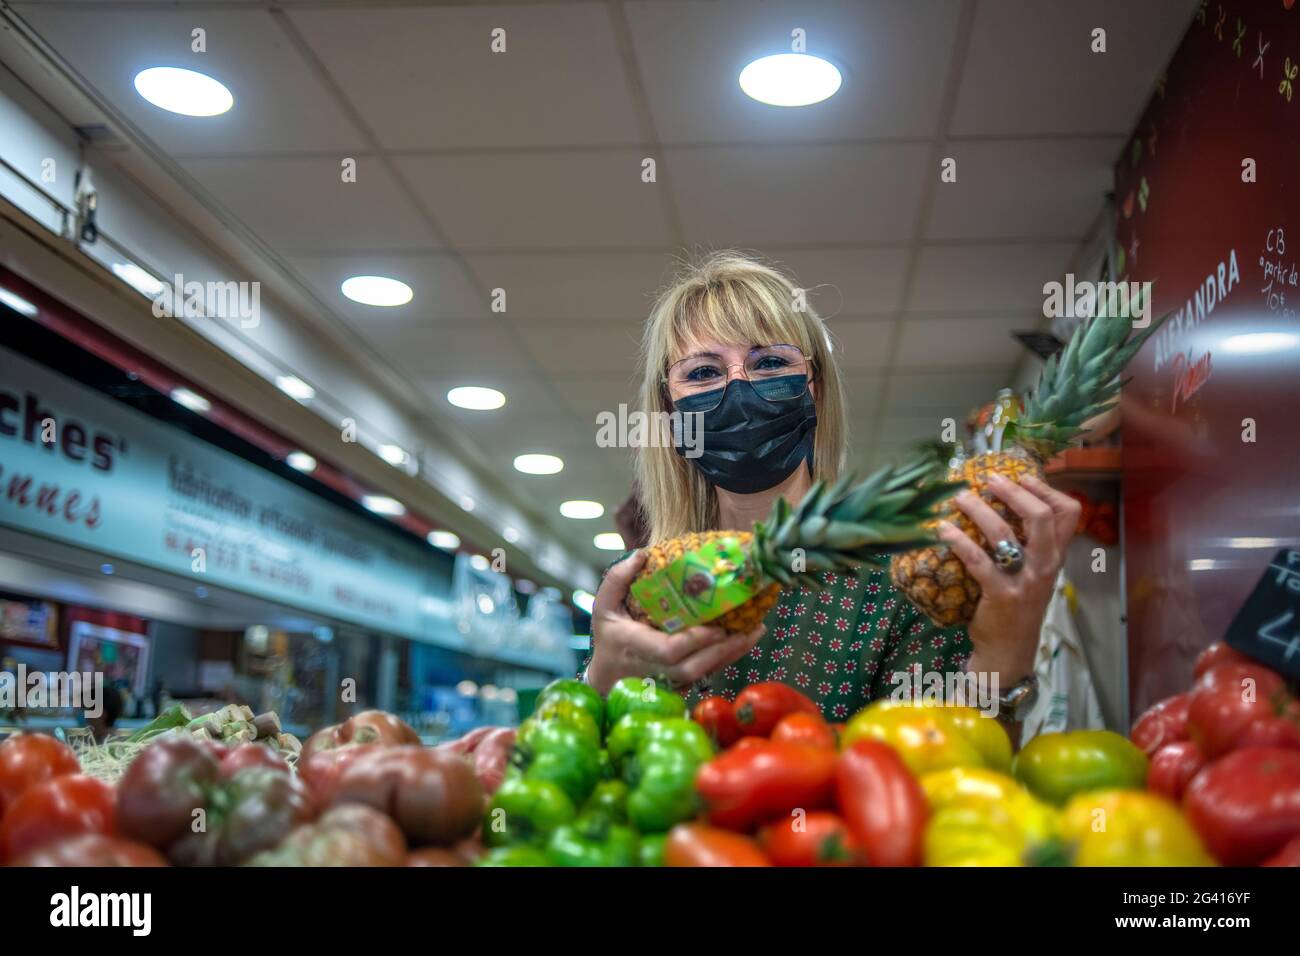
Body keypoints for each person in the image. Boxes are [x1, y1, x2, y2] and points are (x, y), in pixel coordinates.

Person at [582, 252, 1082, 729]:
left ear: (813, 389)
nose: (739, 388)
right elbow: (574, 772)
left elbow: (947, 774)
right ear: (668, 410)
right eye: (704, 372)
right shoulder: (640, 587)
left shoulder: (898, 577)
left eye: (771, 363)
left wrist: (1006, 655)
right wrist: (603, 679)